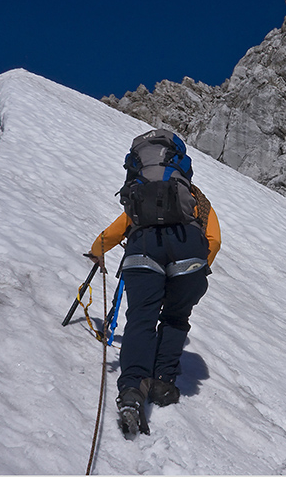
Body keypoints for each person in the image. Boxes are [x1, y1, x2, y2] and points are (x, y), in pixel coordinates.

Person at [88, 130, 221, 434]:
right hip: (189, 252)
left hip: (143, 248)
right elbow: (214, 239)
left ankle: (133, 389)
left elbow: (117, 229)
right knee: (175, 317)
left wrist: (97, 251)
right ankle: (163, 382)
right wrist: (199, 266)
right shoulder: (196, 198)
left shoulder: (141, 192)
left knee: (141, 319)